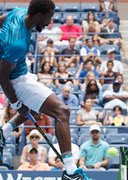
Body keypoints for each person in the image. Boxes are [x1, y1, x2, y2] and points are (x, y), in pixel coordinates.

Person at [0, 0, 91, 179]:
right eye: (49, 17)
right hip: (16, 79)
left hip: (21, 71)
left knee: (36, 105)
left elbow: (1, 20)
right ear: (39, 15)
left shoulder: (18, 12)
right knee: (62, 111)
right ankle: (71, 171)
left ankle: (3, 132)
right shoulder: (16, 44)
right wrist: (17, 103)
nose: (50, 22)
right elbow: (2, 76)